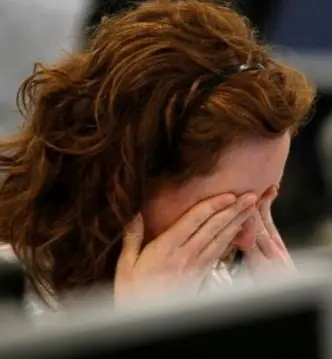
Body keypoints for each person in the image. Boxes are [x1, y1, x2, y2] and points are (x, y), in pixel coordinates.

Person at [0, 0, 315, 308]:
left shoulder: (208, 281)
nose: (248, 240)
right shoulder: (14, 300)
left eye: (263, 204)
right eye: (225, 210)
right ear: (128, 177)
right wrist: (143, 329)